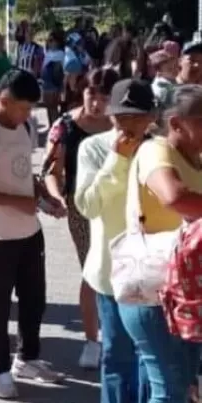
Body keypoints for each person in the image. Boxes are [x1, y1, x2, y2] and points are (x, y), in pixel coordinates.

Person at [0, 69, 67, 399]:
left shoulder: (24, 127)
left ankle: (28, 359)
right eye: (24, 108)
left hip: (30, 232)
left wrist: (45, 197)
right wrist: (17, 202)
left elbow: (25, 174)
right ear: (4, 101)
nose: (28, 115)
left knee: (34, 300)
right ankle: (0, 370)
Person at [74, 78, 155, 403]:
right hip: (111, 273)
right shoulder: (93, 148)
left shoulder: (160, 149)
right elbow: (88, 205)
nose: (128, 126)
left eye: (136, 117)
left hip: (154, 273)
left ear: (151, 118)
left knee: (150, 358)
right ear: (110, 116)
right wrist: (117, 160)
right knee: (117, 356)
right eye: (121, 117)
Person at [121, 84, 202, 403]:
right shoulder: (155, 150)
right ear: (176, 123)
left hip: (187, 295)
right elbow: (174, 197)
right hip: (154, 294)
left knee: (185, 389)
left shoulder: (196, 158)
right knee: (169, 393)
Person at [43, 67, 118, 369]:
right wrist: (57, 196)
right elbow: (51, 171)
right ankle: (91, 341)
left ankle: (118, 335)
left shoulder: (124, 125)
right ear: (81, 91)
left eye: (105, 96)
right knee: (92, 269)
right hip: (82, 207)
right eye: (91, 94)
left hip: (120, 207)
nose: (97, 103)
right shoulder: (66, 126)